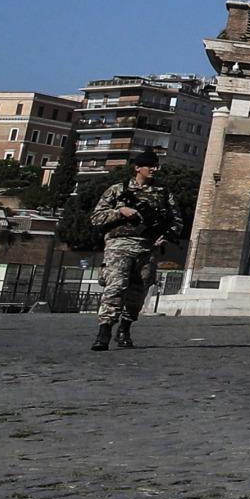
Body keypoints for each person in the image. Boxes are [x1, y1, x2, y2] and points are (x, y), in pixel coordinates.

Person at [90, 148, 182, 351]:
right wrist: (120, 212)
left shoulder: (164, 193)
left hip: (146, 248)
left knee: (138, 292)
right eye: (151, 166)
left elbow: (176, 221)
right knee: (115, 288)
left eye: (156, 166)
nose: (155, 170)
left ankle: (124, 329)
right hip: (118, 246)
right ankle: (104, 331)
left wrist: (165, 236)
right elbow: (96, 218)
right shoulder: (118, 190)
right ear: (138, 168)